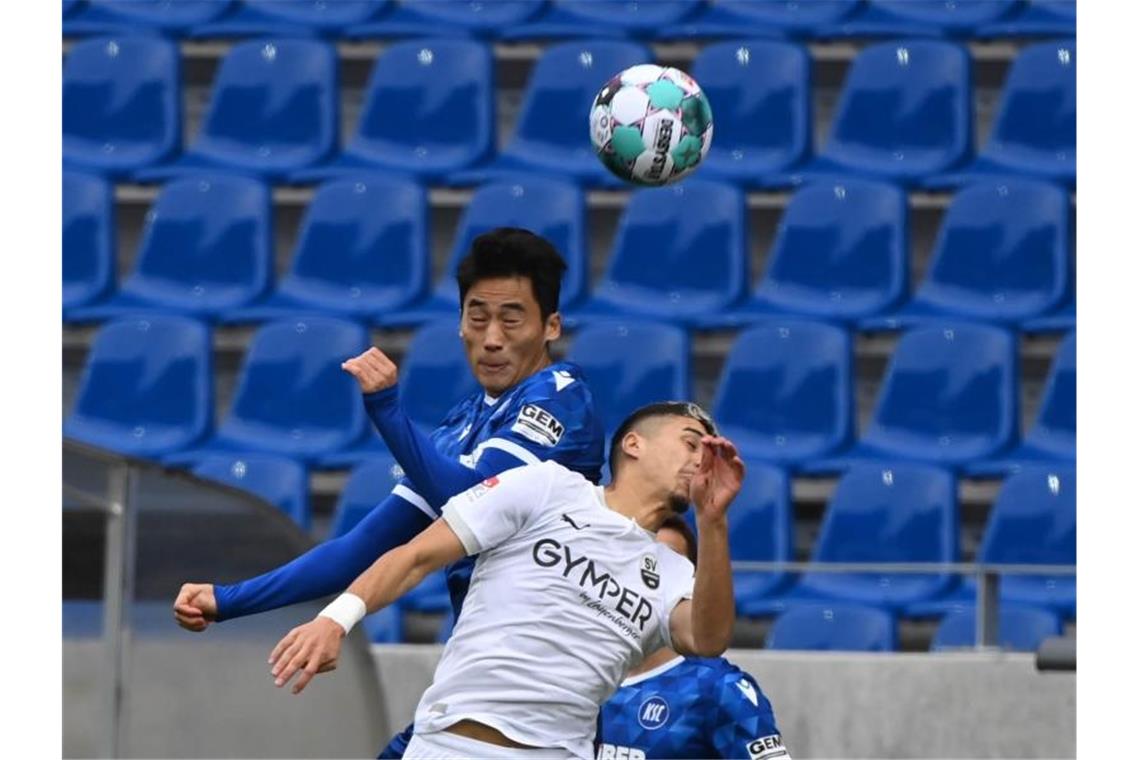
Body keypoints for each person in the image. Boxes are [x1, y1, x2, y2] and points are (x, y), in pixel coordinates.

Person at [173, 227, 604, 631]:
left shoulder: (558, 399)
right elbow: (363, 547)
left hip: (547, 647)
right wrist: (229, 600)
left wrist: (387, 410)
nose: (492, 338)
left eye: (511, 320)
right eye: (478, 318)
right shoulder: (464, 422)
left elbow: (472, 499)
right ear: (459, 322)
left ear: (551, 326)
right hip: (489, 647)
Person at [267, 402, 744, 760]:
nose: (702, 459)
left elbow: (707, 639)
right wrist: (335, 620)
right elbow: (416, 556)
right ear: (633, 444)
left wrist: (714, 521)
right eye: (690, 442)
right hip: (451, 743)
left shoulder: (675, 570)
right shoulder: (547, 487)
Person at [595, 516, 789, 760]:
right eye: (642, 558)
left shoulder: (720, 687)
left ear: (694, 582)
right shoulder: (587, 677)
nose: (651, 573)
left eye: (671, 560)